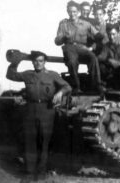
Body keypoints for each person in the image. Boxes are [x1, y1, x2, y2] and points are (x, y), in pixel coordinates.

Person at [6, 51, 72, 182]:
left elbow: (67, 86)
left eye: (41, 61)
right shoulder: (28, 74)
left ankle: (41, 174)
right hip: (30, 109)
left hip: (47, 110)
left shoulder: (52, 75)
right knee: (30, 142)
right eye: (36, 61)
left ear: (45, 62)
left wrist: (60, 93)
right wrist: (15, 62)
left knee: (44, 142)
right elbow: (10, 75)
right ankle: (29, 173)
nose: (38, 63)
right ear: (32, 62)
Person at [54, 1, 103, 94]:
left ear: (78, 12)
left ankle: (96, 86)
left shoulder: (86, 24)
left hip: (82, 48)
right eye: (70, 12)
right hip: (69, 47)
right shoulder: (63, 24)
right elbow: (57, 41)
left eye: (75, 12)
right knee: (72, 62)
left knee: (93, 58)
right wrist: (64, 37)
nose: (72, 14)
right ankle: (76, 87)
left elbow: (99, 36)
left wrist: (93, 46)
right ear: (67, 12)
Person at [98, 24, 120, 89]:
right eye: (109, 34)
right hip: (112, 69)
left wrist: (118, 63)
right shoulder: (107, 45)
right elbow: (101, 57)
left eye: (113, 34)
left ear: (118, 34)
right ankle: (109, 84)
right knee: (101, 66)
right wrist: (108, 60)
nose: (111, 37)